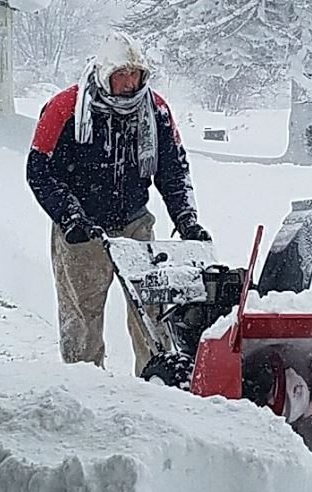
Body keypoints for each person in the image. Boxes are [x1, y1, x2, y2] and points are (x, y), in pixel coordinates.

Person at [27, 31, 210, 375]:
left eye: (135, 75)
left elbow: (173, 170)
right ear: (103, 74)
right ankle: (84, 383)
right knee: (82, 316)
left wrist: (186, 218)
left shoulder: (155, 111)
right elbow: (40, 171)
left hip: (135, 223)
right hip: (81, 230)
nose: (129, 84)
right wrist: (70, 217)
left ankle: (156, 379)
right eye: (121, 75)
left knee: (153, 312)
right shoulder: (65, 109)